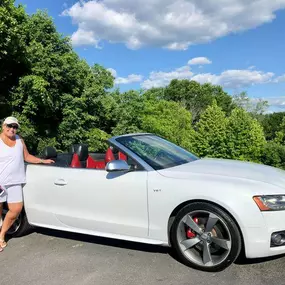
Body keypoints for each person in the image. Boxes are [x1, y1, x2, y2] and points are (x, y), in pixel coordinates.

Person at [0, 116, 54, 251]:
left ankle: (1, 235)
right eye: (9, 126)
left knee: (16, 209)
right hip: (0, 182)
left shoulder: (19, 140)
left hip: (15, 181)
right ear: (3, 125)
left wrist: (42, 161)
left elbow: (27, 157)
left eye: (15, 127)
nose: (12, 129)